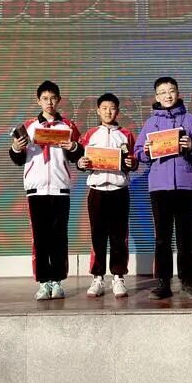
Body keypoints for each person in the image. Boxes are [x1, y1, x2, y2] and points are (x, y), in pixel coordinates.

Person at [133, 77, 192, 300]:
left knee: (186, 237)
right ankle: (163, 283)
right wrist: (146, 151)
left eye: (171, 91)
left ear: (178, 93)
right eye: (163, 92)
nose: (168, 95)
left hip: (186, 185)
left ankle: (187, 281)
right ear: (156, 96)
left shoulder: (190, 119)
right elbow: (138, 152)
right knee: (162, 238)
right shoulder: (151, 122)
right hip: (159, 186)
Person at [9, 80, 82, 301]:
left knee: (59, 237)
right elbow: (18, 159)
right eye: (45, 98)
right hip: (36, 189)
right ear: (38, 101)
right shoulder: (29, 127)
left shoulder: (68, 126)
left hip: (60, 188)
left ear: (59, 100)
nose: (49, 102)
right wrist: (16, 148)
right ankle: (43, 282)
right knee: (40, 237)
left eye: (53, 98)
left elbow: (79, 157)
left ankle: (57, 281)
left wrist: (73, 147)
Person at [77, 93, 137, 298]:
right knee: (98, 235)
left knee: (119, 236)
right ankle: (98, 278)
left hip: (119, 191)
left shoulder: (126, 134)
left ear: (117, 111)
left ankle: (118, 277)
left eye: (112, 108)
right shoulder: (90, 134)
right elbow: (81, 161)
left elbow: (133, 161)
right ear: (98, 110)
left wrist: (132, 163)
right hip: (97, 191)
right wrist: (81, 163)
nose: (108, 112)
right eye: (104, 108)